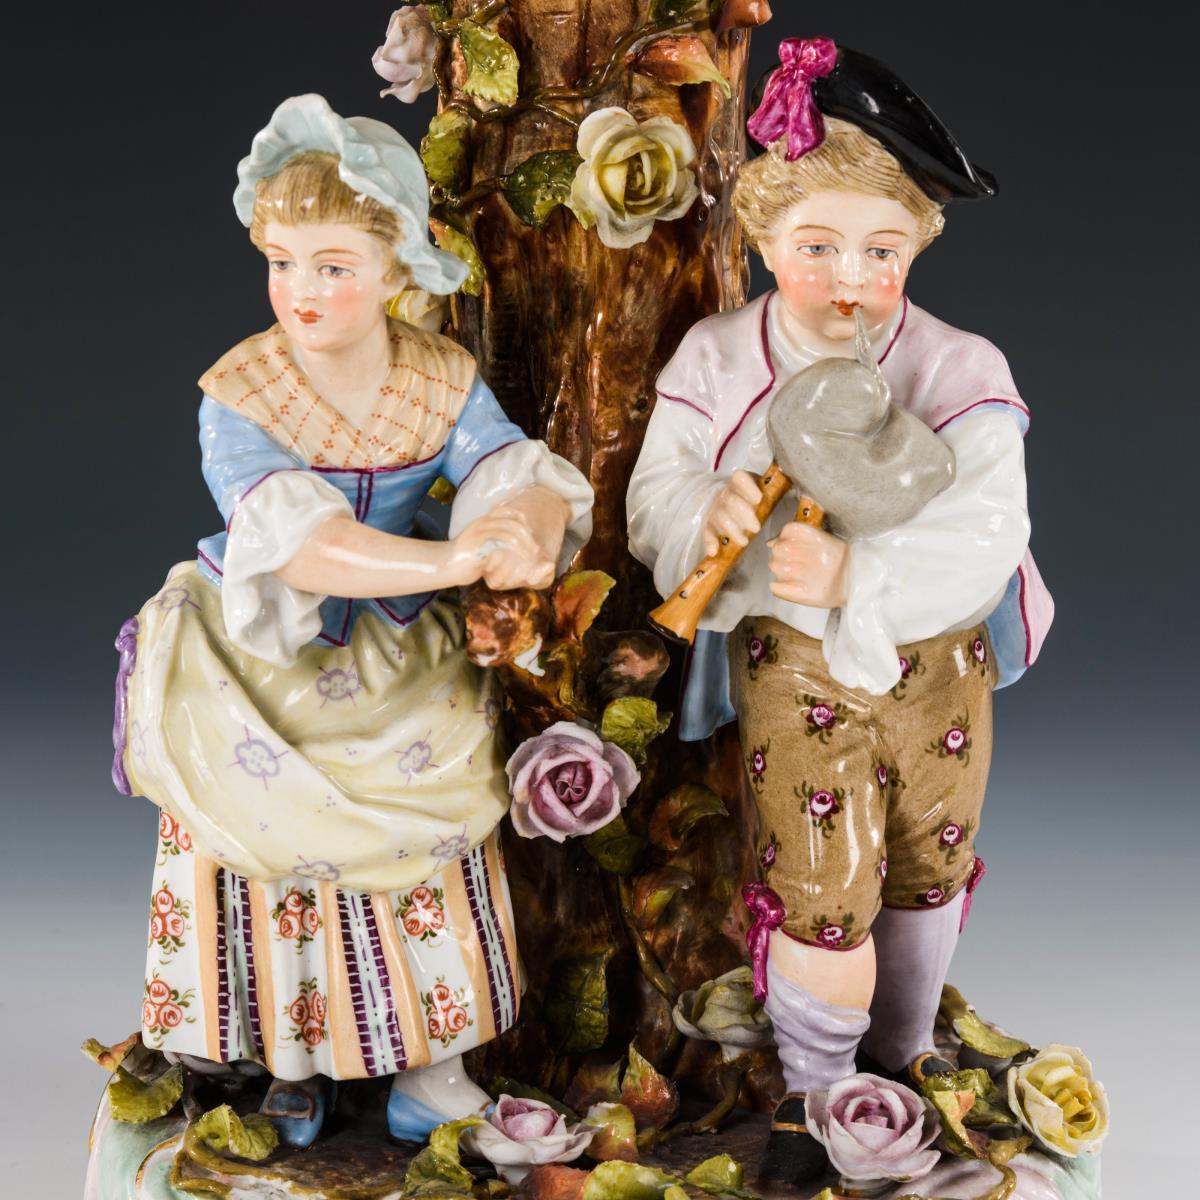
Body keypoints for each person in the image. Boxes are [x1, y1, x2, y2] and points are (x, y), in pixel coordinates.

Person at [112, 94, 593, 1148]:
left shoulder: (438, 377)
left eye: (332, 266)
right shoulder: (241, 392)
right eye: (282, 262)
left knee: (437, 823)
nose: (302, 290)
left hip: (404, 647)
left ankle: (433, 1065)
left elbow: (506, 464)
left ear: (395, 268)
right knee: (271, 837)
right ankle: (294, 1063)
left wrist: (523, 521)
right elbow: (304, 543)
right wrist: (457, 558)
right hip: (268, 647)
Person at [626, 39, 1052, 1186]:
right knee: (821, 881)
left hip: (937, 662)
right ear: (763, 242)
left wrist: (862, 576)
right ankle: (815, 1093)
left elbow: (988, 528)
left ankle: (900, 1060)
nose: (849, 277)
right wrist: (705, 510)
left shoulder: (959, 367)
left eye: (881, 250)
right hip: (797, 665)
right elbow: (655, 495)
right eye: (815, 247)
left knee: (928, 861)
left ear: (916, 246)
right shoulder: (719, 357)